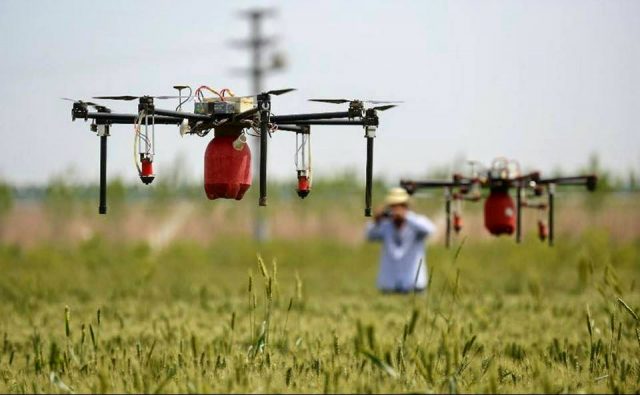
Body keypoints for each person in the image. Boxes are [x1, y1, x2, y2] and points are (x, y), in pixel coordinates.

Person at [365, 187, 436, 293]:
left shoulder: (416, 223)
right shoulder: (385, 226)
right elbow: (368, 235)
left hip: (414, 284)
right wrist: (377, 220)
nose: (396, 210)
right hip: (389, 285)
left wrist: (406, 216)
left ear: (406, 206)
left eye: (400, 206)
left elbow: (430, 229)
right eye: (393, 207)